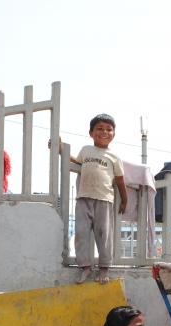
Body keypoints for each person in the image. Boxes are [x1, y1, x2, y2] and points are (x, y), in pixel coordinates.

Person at [69, 113, 127, 284]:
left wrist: (125, 200)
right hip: (83, 199)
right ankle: (85, 267)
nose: (104, 132)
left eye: (109, 129)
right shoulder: (86, 150)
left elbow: (120, 180)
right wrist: (60, 150)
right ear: (91, 132)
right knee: (81, 233)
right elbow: (77, 162)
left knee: (104, 235)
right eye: (100, 128)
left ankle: (104, 268)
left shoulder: (114, 157)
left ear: (114, 134)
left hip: (104, 200)